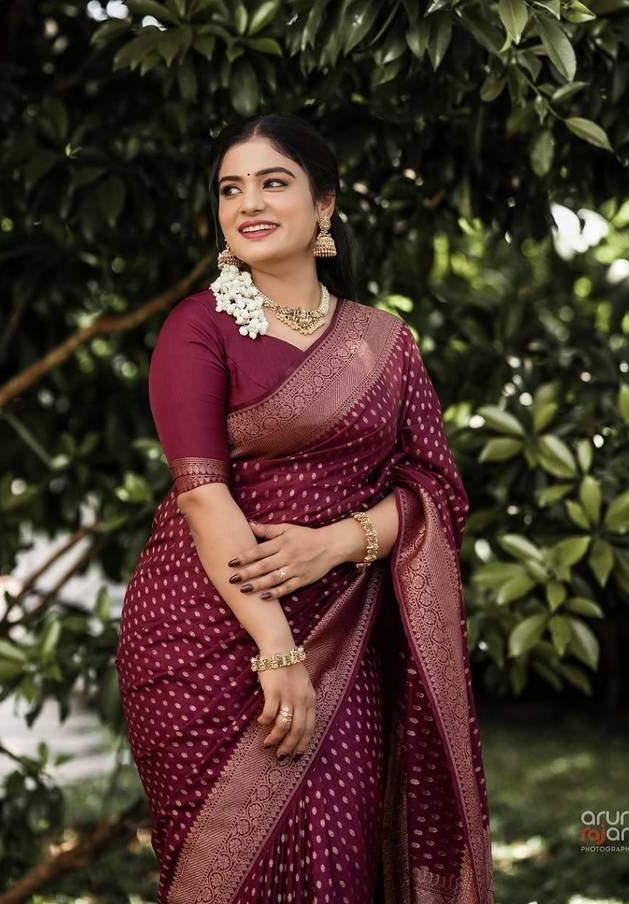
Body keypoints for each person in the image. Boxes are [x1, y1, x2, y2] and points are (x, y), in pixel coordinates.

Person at [116, 113, 494, 904]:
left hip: (347, 637)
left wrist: (336, 544)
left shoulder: (385, 343)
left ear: (324, 206)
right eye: (231, 188)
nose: (248, 201)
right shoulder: (199, 326)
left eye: (273, 181)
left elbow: (435, 495)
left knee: (337, 863)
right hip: (209, 635)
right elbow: (201, 492)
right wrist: (277, 649)